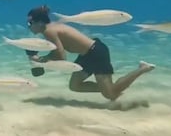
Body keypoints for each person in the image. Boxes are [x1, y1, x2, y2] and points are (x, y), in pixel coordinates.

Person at [26, 5, 155, 101]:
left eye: (29, 23)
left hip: (96, 53)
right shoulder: (50, 28)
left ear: (40, 22)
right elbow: (58, 54)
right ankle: (111, 87)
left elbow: (61, 57)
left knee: (110, 95)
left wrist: (40, 61)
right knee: (75, 86)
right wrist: (40, 60)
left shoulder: (49, 31)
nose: (28, 26)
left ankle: (142, 68)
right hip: (86, 54)